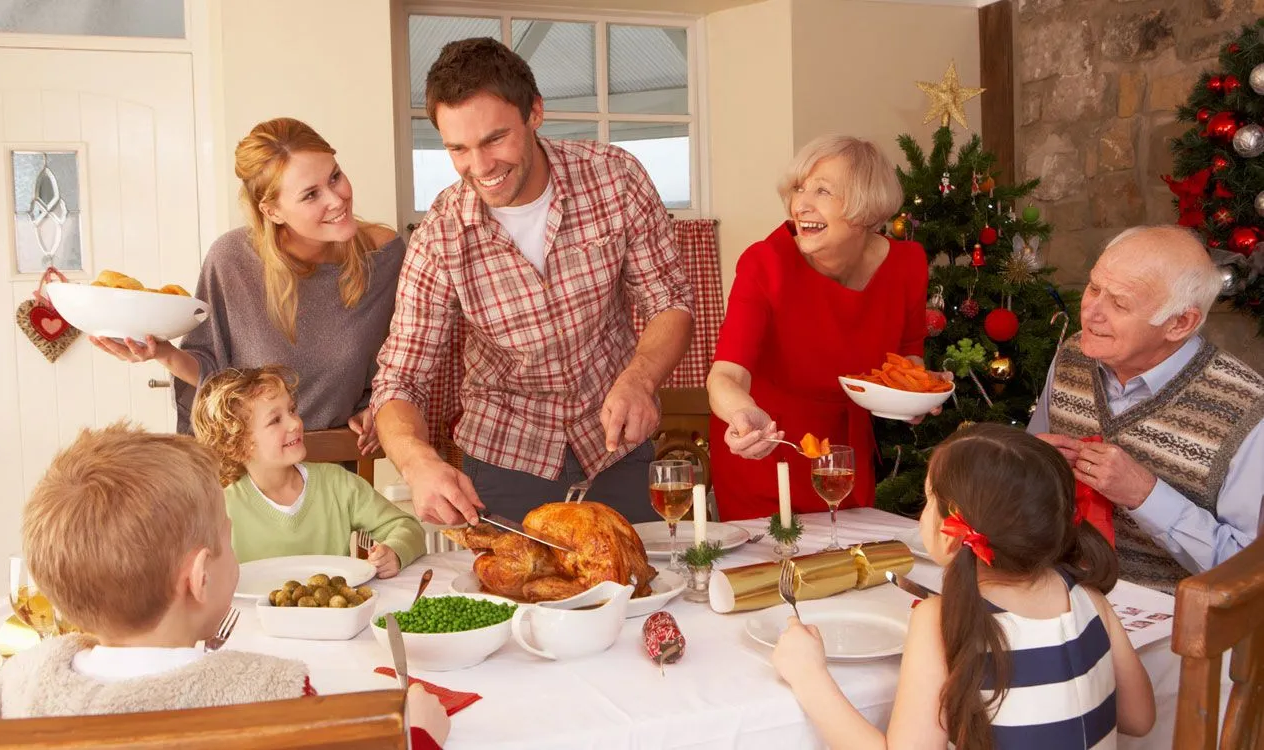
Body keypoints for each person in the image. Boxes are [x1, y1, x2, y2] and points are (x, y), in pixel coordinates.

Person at [372, 38, 694, 525]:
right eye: (457, 148)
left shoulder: (615, 178)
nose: (479, 167)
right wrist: (418, 463)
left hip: (616, 443)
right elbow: (401, 377)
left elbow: (669, 301)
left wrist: (640, 380)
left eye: (495, 139)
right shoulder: (440, 232)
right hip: (505, 457)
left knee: (639, 592)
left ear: (535, 113)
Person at [0, 423, 449, 750]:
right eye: (228, 538)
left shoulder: (18, 681)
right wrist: (418, 735)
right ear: (200, 577)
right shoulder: (268, 690)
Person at [771, 423, 1155, 749]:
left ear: (951, 530)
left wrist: (809, 676)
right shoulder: (1086, 597)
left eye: (927, 501)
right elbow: (1140, 718)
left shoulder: (939, 620)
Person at [92, 117, 404, 453]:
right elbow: (216, 372)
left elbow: (397, 361)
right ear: (272, 211)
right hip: (246, 473)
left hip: (334, 472)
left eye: (335, 176)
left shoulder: (385, 258)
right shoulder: (232, 261)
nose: (336, 199)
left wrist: (375, 406)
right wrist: (163, 353)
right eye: (311, 194)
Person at [706, 135, 932, 521]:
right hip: (768, 448)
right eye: (798, 188)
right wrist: (743, 415)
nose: (800, 204)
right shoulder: (766, 264)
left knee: (848, 568)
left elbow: (909, 351)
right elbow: (725, 375)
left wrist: (919, 389)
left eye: (822, 191)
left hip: (844, 458)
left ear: (864, 208)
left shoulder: (907, 265)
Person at [1028, 225, 1264, 593]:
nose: (1091, 313)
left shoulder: (1248, 410)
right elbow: (1026, 472)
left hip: (1174, 626)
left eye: (1119, 303)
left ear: (1180, 323)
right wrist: (1034, 462)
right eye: (1093, 287)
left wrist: (1146, 496)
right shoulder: (1074, 355)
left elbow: (1248, 569)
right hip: (1058, 594)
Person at [191, 365, 425, 571]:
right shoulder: (221, 507)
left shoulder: (338, 484)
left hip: (334, 619)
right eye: (275, 420)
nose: (295, 423)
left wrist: (394, 552)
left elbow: (407, 527)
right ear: (238, 446)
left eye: (292, 410)